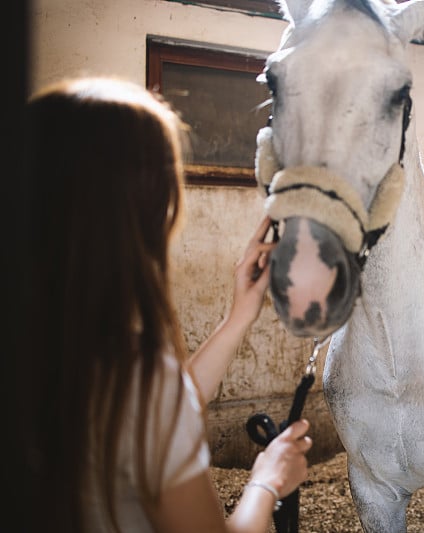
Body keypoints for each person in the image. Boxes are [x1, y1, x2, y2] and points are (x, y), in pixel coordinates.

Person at [16, 76, 311, 533]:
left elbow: (158, 408)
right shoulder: (139, 375)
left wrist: (239, 317)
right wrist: (267, 482)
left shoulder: (51, 343)